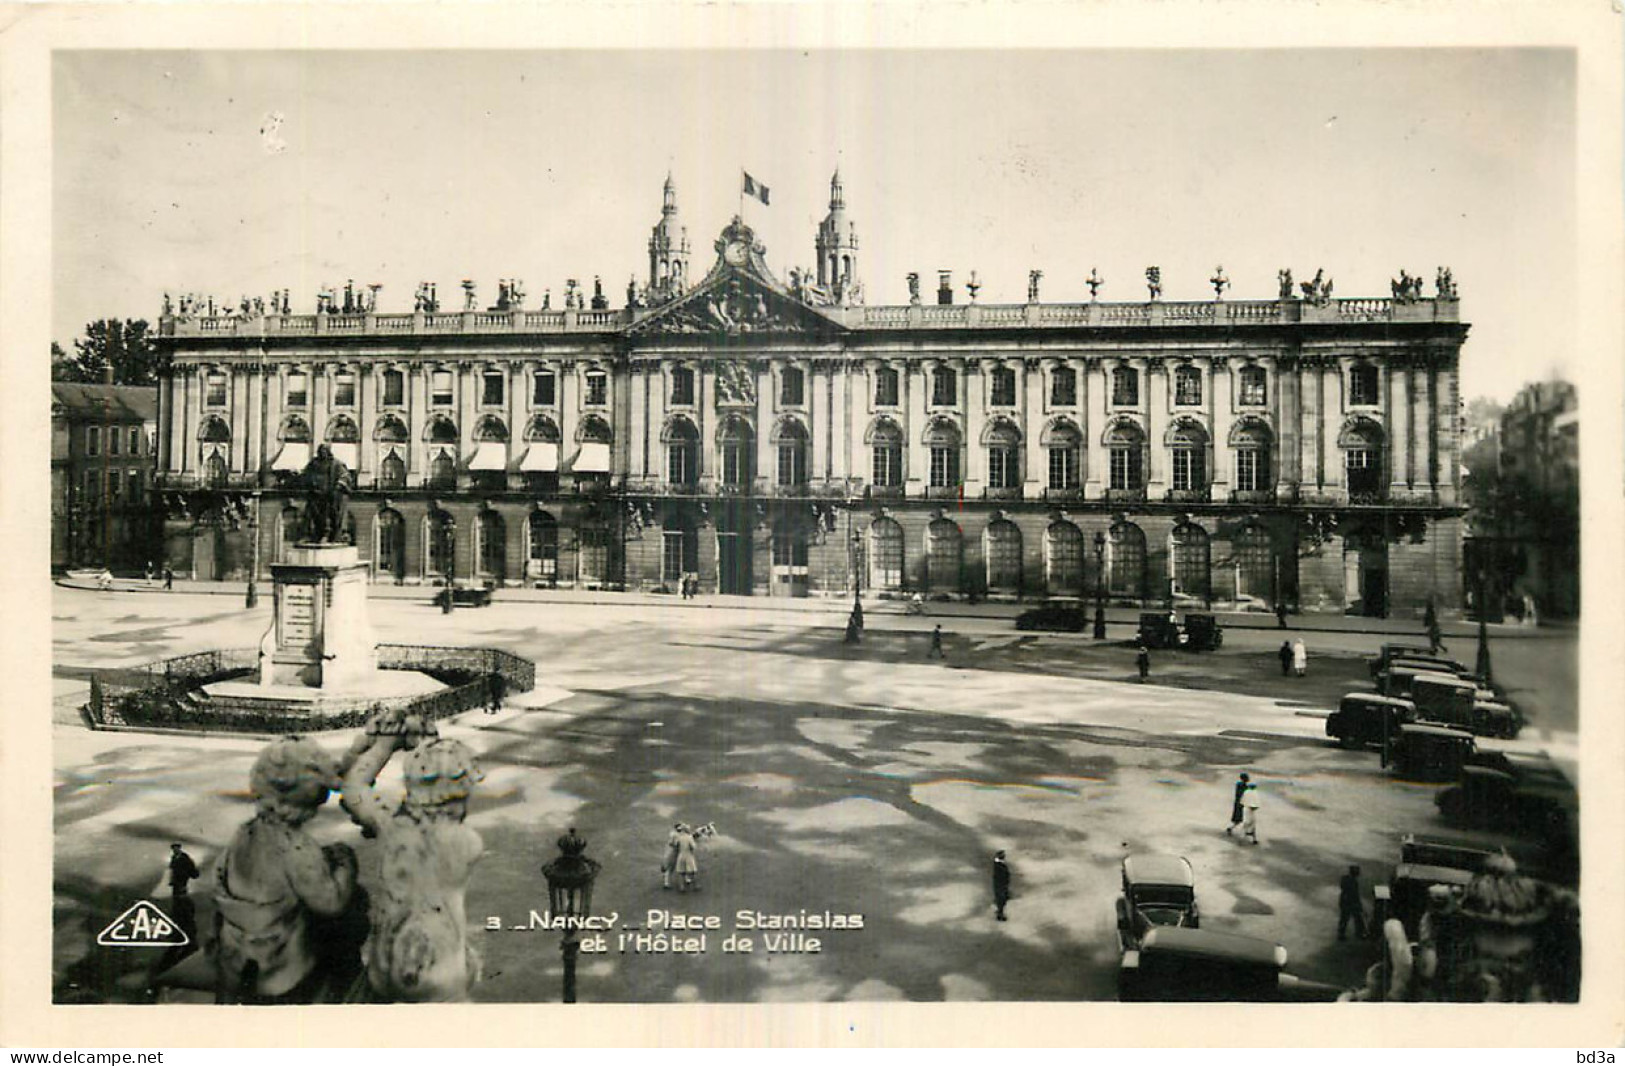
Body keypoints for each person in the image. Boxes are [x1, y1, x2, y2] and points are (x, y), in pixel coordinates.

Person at [1339, 864, 1368, 941]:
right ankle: (1359, 933)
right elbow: (1355, 894)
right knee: (1357, 918)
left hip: (1344, 901)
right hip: (1351, 902)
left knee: (1344, 919)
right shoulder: (1353, 882)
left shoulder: (1345, 879)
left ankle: (1341, 934)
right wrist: (1359, 905)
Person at [661, 824, 684, 890]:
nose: (680, 829)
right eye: (679, 828)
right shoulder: (675, 835)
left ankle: (666, 883)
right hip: (673, 852)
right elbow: (674, 844)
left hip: (671, 852)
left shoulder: (673, 834)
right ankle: (666, 883)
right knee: (671, 867)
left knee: (670, 867)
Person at [991, 850, 1012, 922]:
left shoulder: (998, 863)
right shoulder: (999, 865)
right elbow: (1002, 875)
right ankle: (1000, 914)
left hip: (1000, 884)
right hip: (1000, 884)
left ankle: (999, 911)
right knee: (1002, 899)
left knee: (1002, 898)